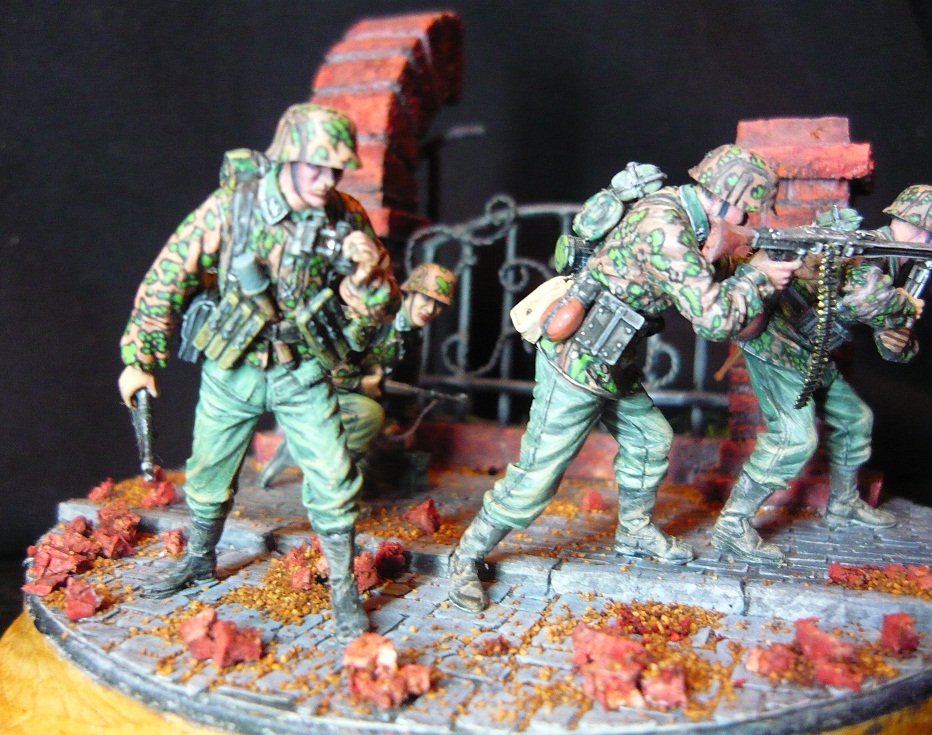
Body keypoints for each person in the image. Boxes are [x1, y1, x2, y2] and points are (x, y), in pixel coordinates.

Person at [447, 144, 802, 613]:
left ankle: (633, 532)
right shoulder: (667, 228)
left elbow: (704, 275)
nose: (747, 219)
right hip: (578, 362)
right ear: (724, 197)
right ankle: (465, 556)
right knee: (537, 477)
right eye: (746, 209)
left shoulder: (686, 217)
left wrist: (739, 260)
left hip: (616, 358)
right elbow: (714, 320)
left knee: (651, 440)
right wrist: (756, 277)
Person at [117, 103, 400, 643]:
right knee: (208, 468)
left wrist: (368, 275)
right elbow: (170, 274)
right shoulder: (234, 206)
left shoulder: (345, 217)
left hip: (303, 367)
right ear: (288, 159)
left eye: (335, 169)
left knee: (334, 479)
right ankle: (200, 558)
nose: (326, 180)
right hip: (235, 363)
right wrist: (140, 358)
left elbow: (379, 309)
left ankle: (343, 587)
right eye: (315, 167)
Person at [711, 190, 928, 565]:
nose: (924, 239)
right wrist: (902, 306)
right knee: (794, 438)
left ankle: (843, 504)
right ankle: (732, 525)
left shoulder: (892, 260)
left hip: (811, 350)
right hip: (777, 344)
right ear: (910, 225)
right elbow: (866, 300)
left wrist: (899, 331)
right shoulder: (869, 251)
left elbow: (890, 345)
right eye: (923, 231)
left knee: (855, 419)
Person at [258, 262, 457, 487]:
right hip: (321, 389)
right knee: (369, 418)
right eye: (426, 299)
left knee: (373, 474)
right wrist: (360, 384)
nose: (430, 310)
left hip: (354, 398)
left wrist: (400, 421)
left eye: (438, 305)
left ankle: (319, 461)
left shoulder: (413, 335)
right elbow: (332, 361)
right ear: (411, 292)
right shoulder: (378, 315)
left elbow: (406, 379)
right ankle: (316, 471)